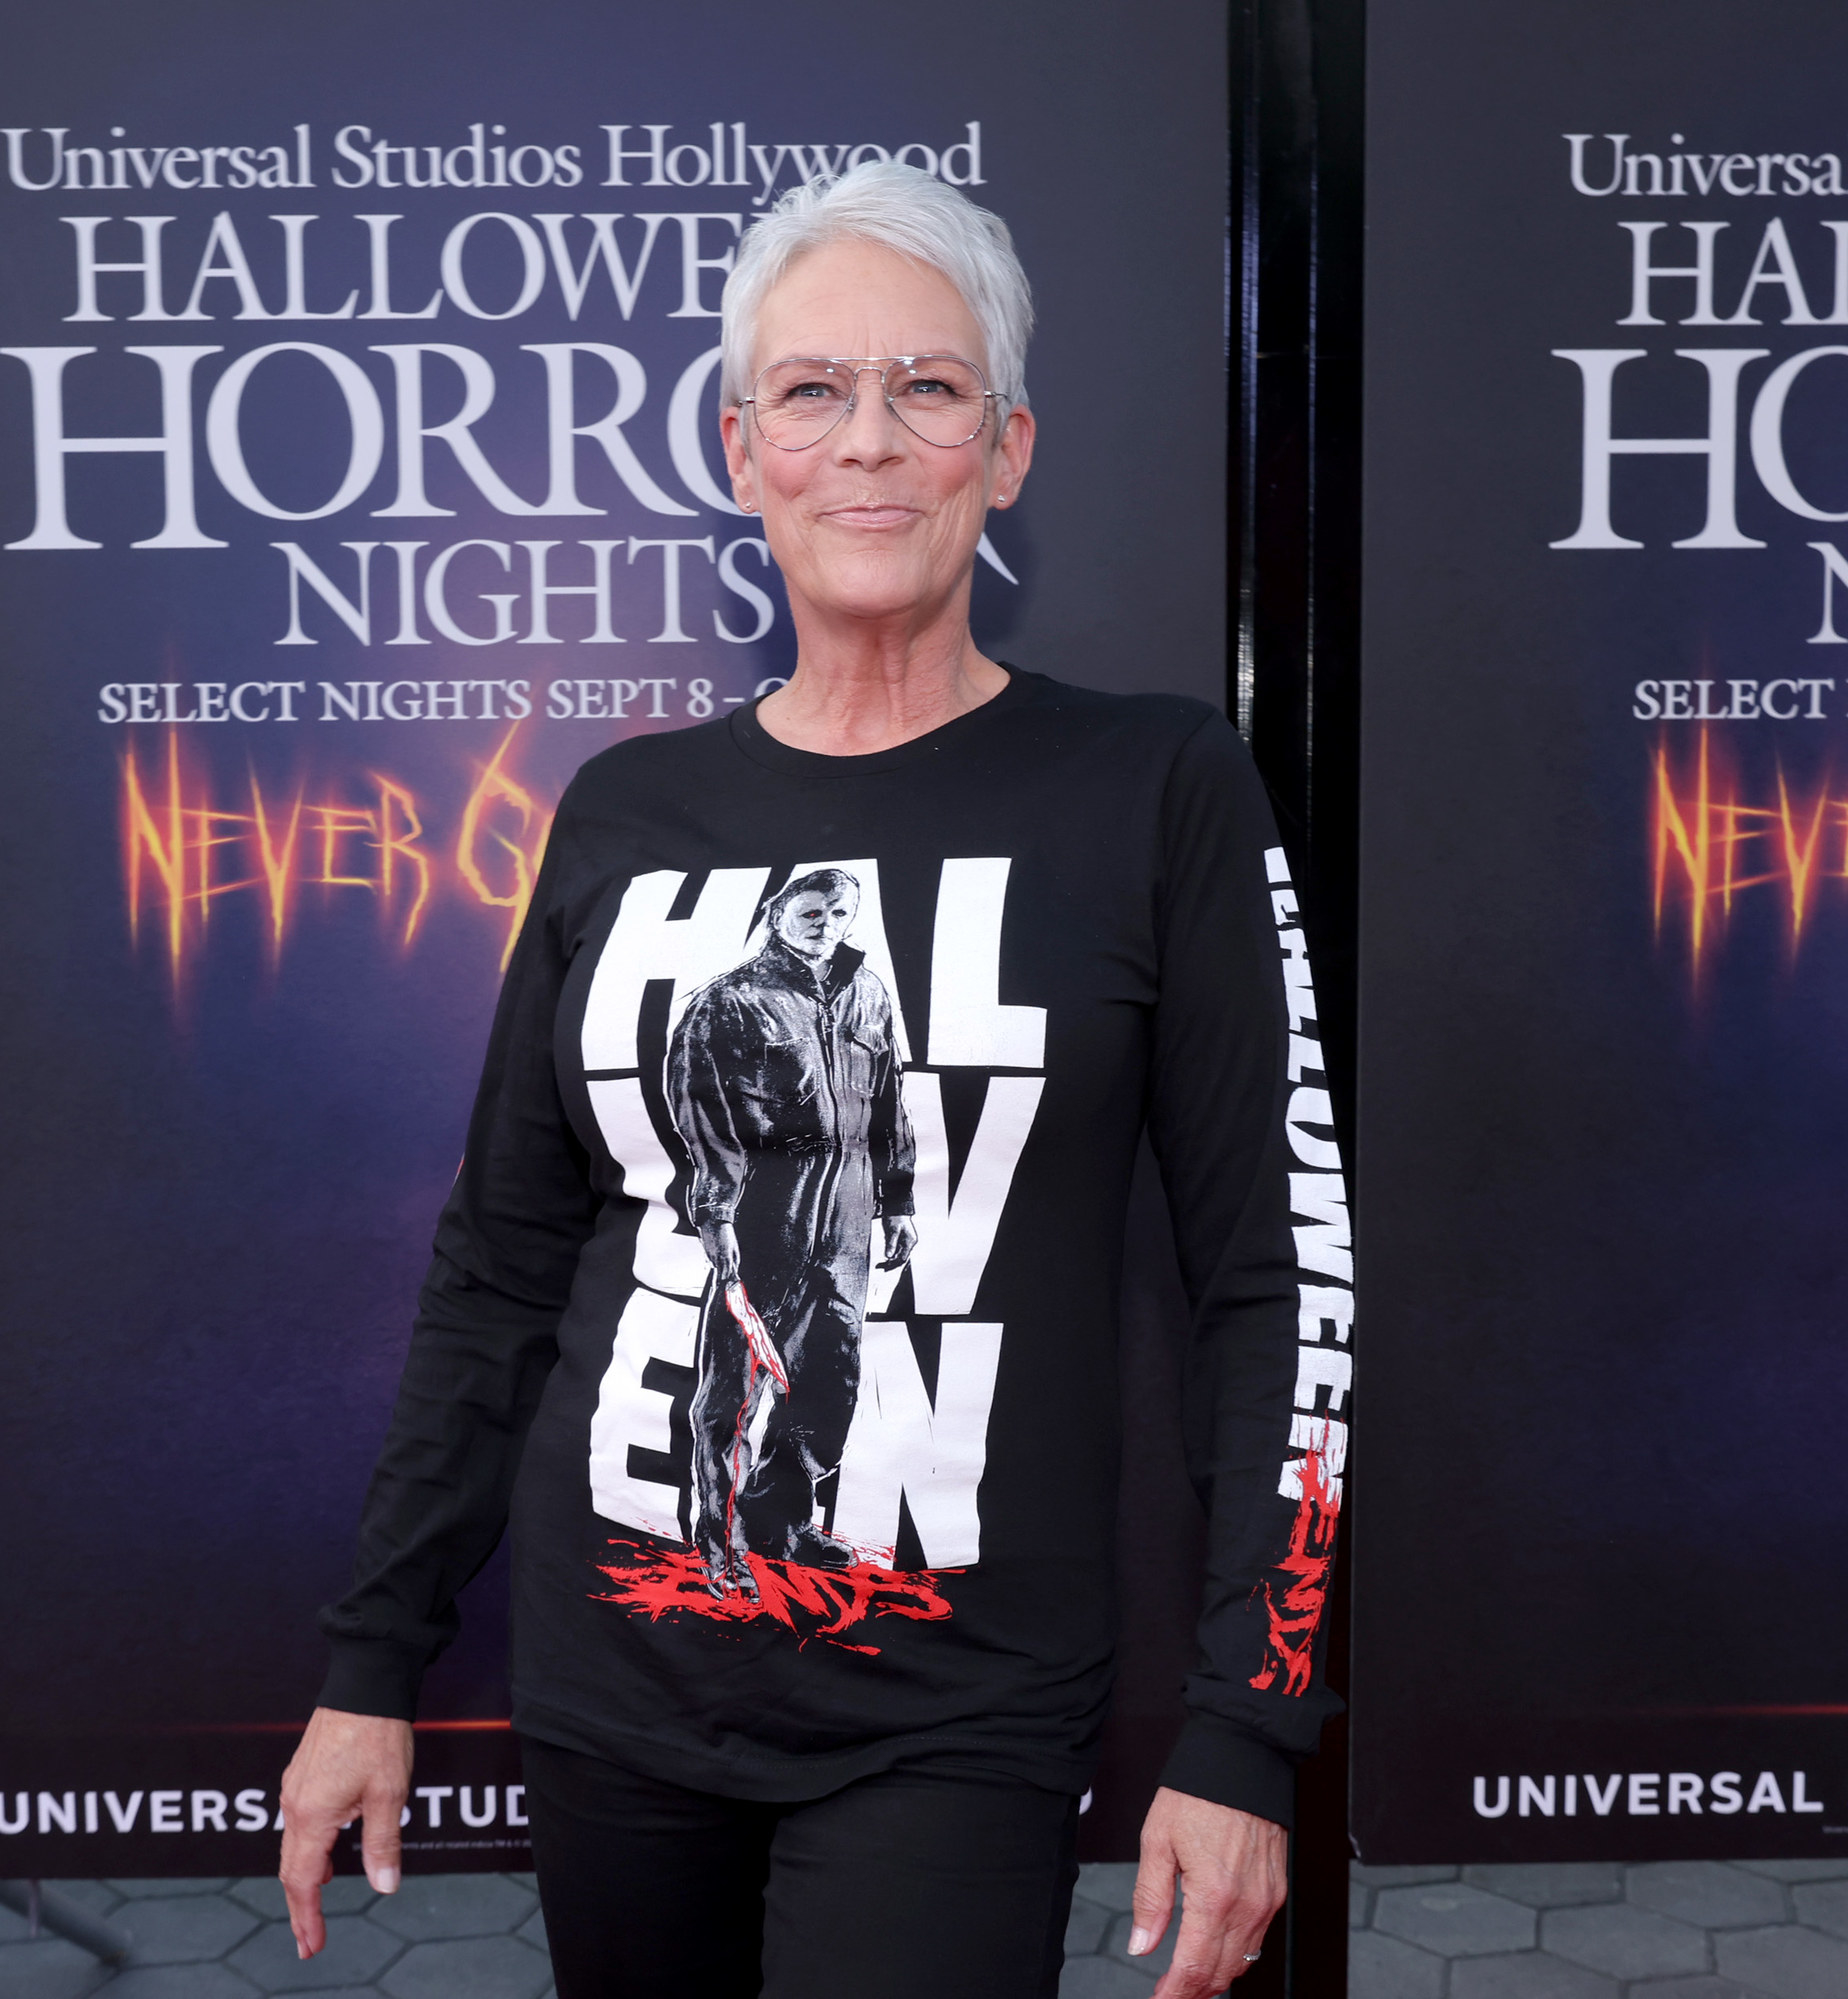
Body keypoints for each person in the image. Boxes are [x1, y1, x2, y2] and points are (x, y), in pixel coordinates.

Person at [278, 159, 1351, 1999]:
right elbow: (505, 1264)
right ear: (738, 444)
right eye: (813, 391)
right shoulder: (627, 808)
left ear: (1006, 450)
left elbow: (1283, 1283)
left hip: (958, 1706)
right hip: (616, 1689)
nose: (868, 441)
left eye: (927, 389)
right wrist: (373, 1654)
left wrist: (1250, 1725)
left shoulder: (1157, 788)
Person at [665, 866, 918, 1595]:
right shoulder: (729, 1002)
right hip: (765, 1209)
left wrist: (896, 1198)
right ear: (777, 913)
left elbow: (889, 1096)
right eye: (810, 908)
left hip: (847, 1213)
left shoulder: (867, 991)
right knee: (734, 1390)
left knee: (828, 1379)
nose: (826, 919)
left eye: (840, 910)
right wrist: (716, 1212)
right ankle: (723, 1546)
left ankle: (783, 1523)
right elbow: (702, 1113)